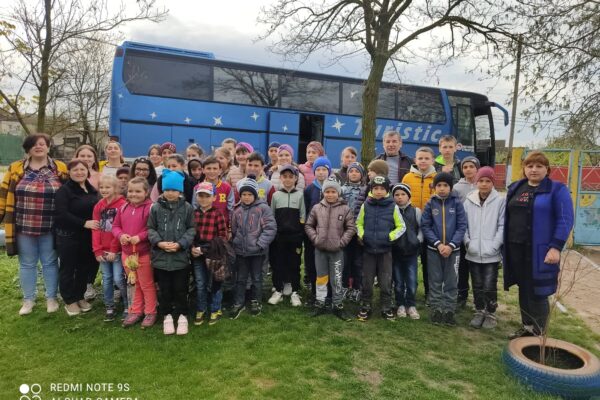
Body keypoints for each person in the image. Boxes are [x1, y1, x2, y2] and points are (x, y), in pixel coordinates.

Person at [504, 151, 574, 339]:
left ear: (547, 169)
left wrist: (555, 247)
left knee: (538, 290)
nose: (534, 170)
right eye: (530, 166)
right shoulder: (516, 188)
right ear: (524, 169)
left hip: (540, 251)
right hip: (516, 248)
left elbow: (565, 219)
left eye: (539, 166)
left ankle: (539, 333)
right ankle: (527, 327)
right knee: (523, 288)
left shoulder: (557, 190)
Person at [0, 133, 68, 315]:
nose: (38, 147)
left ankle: (51, 298)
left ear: (48, 146)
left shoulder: (59, 168)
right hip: (23, 226)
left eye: (42, 144)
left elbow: (70, 193)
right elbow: (3, 193)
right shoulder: (15, 168)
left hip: (51, 226)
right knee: (27, 264)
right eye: (34, 144)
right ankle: (28, 299)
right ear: (28, 149)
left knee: (50, 262)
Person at [148, 170, 196, 335]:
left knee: (181, 288)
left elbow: (191, 229)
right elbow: (150, 229)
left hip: (180, 258)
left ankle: (183, 315)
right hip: (161, 258)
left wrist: (181, 244)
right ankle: (167, 315)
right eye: (167, 189)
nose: (170, 193)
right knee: (165, 289)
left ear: (180, 191)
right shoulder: (155, 208)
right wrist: (159, 243)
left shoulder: (188, 208)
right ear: (162, 190)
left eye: (174, 190)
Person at [305, 177, 356, 321]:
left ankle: (337, 304)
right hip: (320, 250)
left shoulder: (345, 209)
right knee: (321, 278)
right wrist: (315, 239)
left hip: (337, 251)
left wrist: (342, 242)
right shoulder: (317, 208)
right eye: (327, 191)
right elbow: (309, 225)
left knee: (337, 279)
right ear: (323, 192)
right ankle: (320, 303)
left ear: (338, 193)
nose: (330, 194)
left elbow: (351, 228)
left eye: (333, 191)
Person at [356, 175, 406, 321]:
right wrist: (363, 235)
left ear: (387, 190)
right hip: (368, 250)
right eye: (375, 188)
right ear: (371, 190)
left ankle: (386, 306)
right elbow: (358, 223)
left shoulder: (393, 206)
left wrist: (389, 237)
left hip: (385, 251)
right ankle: (365, 305)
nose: (378, 191)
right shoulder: (365, 205)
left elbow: (401, 226)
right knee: (367, 280)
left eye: (382, 189)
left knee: (385, 281)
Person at [421, 172, 467, 326]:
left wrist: (451, 245)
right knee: (435, 280)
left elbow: (462, 226)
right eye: (438, 185)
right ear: (434, 187)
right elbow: (426, 226)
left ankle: (449, 310)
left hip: (453, 251)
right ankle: (436, 310)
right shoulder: (430, 204)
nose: (441, 188)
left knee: (451, 281)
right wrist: (438, 244)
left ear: (451, 187)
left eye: (445, 185)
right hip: (434, 250)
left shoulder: (457, 204)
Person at [55, 160, 99, 316]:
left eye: (82, 169)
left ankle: (79, 296)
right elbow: (61, 214)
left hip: (87, 237)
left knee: (83, 268)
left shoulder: (92, 190)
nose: (79, 172)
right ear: (69, 172)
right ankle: (69, 300)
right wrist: (84, 223)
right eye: (75, 170)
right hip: (69, 236)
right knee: (68, 268)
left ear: (87, 171)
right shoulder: (64, 191)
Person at [463, 167, 505, 329]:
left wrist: (495, 245)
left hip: (491, 253)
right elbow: (464, 225)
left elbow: (502, 225)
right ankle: (479, 310)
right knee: (477, 283)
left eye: (488, 181)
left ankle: (491, 313)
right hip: (473, 251)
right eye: (481, 181)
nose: (484, 184)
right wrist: (468, 243)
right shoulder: (469, 200)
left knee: (489, 284)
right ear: (476, 182)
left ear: (493, 183)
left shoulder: (500, 200)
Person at [229, 176, 277, 319]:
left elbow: (270, 228)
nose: (247, 197)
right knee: (241, 278)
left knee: (257, 278)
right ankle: (239, 302)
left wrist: (260, 244)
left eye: (250, 194)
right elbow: (234, 229)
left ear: (255, 195)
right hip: (241, 251)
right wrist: (236, 242)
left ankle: (256, 301)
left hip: (257, 252)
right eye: (244, 194)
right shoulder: (237, 210)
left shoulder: (263, 209)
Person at [112, 177, 157, 329]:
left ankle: (150, 312)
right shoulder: (123, 208)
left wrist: (140, 237)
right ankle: (136, 310)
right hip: (127, 254)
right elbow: (116, 226)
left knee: (146, 284)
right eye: (131, 191)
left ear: (146, 192)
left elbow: (152, 228)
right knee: (134, 283)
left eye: (138, 191)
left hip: (143, 253)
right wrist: (120, 235)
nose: (134, 194)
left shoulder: (151, 208)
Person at [401, 146, 437, 301]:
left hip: (431, 226)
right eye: (420, 158)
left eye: (426, 158)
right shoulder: (407, 178)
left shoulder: (437, 178)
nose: (423, 161)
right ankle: (407, 291)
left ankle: (430, 292)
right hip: (411, 226)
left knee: (429, 263)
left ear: (432, 160)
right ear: (415, 160)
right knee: (408, 260)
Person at [191, 182, 228, 326]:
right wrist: (192, 248)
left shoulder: (217, 214)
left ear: (214, 198)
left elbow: (222, 237)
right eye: (201, 196)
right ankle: (201, 308)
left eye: (207, 196)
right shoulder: (193, 214)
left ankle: (215, 308)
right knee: (200, 283)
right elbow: (190, 234)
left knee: (215, 283)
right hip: (197, 256)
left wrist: (204, 249)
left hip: (214, 255)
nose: (204, 199)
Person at [92, 174, 128, 322]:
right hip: (102, 251)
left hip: (117, 250)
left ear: (115, 188)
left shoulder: (122, 204)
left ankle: (128, 305)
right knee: (106, 278)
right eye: (101, 187)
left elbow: (120, 228)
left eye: (108, 187)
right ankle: (109, 306)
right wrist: (97, 249)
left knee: (119, 278)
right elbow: (96, 228)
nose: (104, 190)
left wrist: (114, 249)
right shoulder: (98, 205)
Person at [269, 165, 305, 307]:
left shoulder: (300, 195)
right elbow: (271, 216)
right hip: (279, 237)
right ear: (280, 178)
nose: (288, 179)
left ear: (296, 178)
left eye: (291, 177)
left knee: (294, 264)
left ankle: (295, 291)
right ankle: (278, 289)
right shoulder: (276, 196)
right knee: (278, 264)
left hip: (295, 237)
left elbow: (303, 215)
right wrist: (275, 233)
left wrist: (300, 233)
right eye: (285, 176)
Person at [391, 183, 423, 320]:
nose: (400, 197)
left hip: (411, 252)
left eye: (403, 194)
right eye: (396, 195)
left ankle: (411, 304)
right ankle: (400, 304)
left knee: (411, 280)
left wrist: (418, 241)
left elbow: (421, 228)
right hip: (396, 252)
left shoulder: (416, 211)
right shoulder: (392, 211)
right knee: (398, 281)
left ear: (408, 196)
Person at [452, 155, 480, 309]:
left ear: (477, 168)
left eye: (471, 166)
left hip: (479, 231)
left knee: (476, 267)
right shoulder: (457, 188)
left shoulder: (483, 184)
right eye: (465, 167)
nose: (468, 169)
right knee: (461, 265)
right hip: (462, 230)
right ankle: (461, 294)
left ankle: (479, 299)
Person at [303, 156, 332, 302]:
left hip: (329, 234)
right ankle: (315, 292)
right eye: (318, 169)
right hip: (312, 235)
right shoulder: (309, 190)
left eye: (324, 169)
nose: (321, 172)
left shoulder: (333, 189)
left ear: (329, 171)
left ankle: (329, 293)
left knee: (327, 264)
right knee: (312, 263)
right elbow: (307, 210)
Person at [341, 161, 367, 302]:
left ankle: (357, 288)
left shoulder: (365, 190)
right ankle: (344, 286)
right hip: (344, 231)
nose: (354, 174)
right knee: (345, 261)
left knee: (358, 262)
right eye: (351, 171)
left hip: (359, 232)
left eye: (357, 171)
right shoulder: (342, 189)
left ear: (361, 174)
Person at [195, 156, 234, 224]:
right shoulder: (197, 188)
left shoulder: (227, 188)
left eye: (215, 168)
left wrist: (230, 227)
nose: (212, 171)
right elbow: (195, 207)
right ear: (203, 170)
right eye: (208, 168)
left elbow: (231, 209)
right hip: (203, 225)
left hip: (222, 225)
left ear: (220, 171)